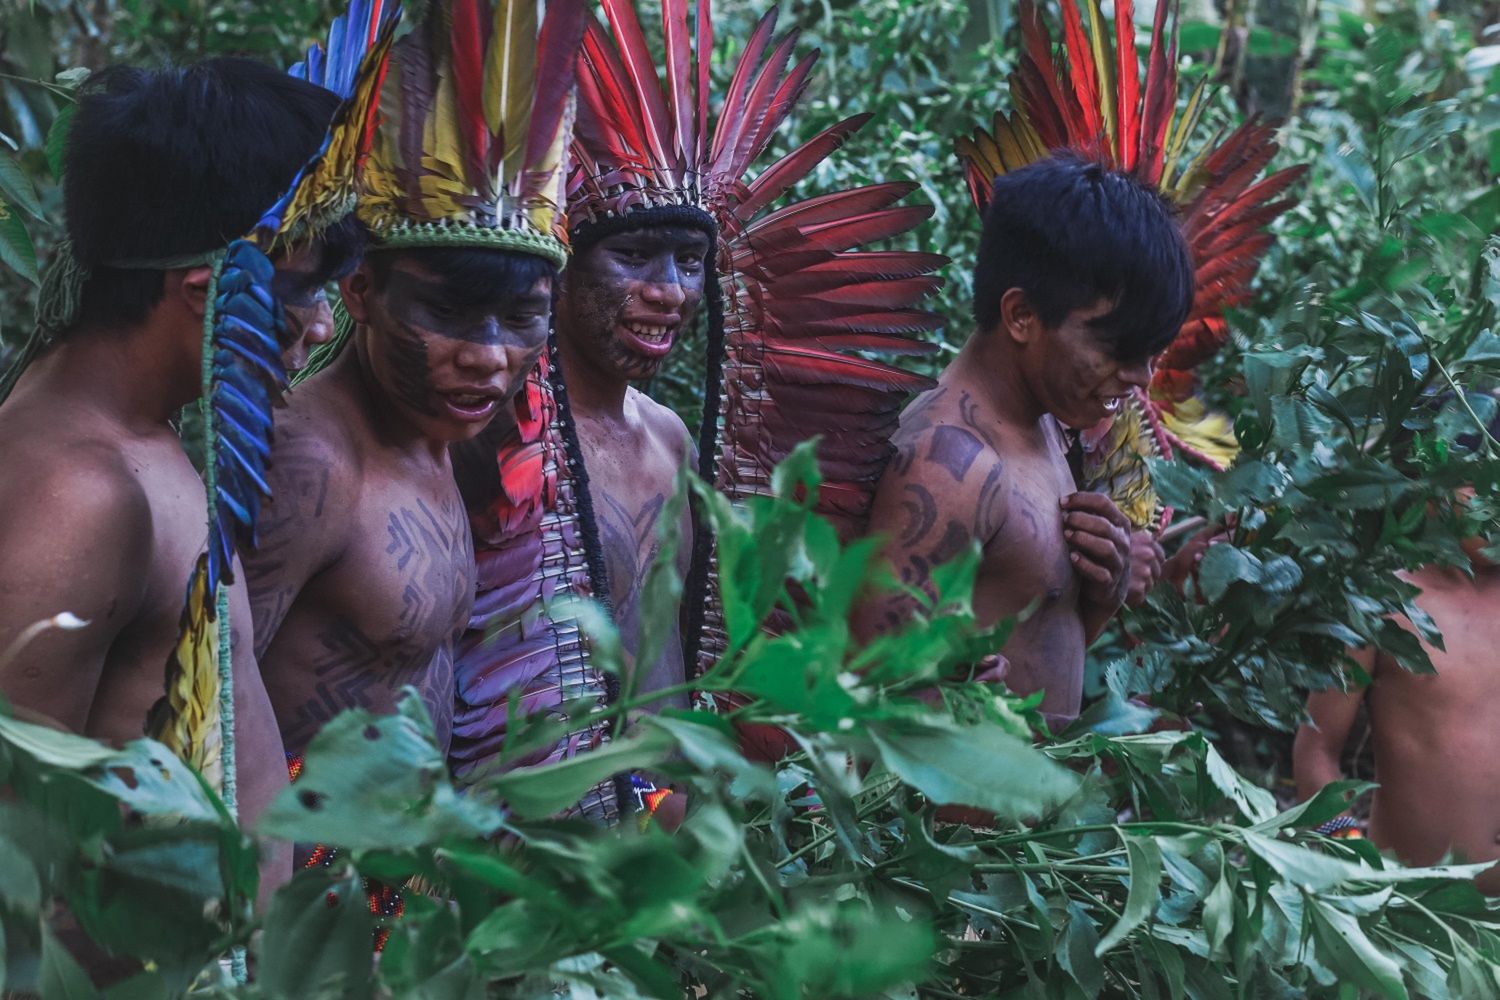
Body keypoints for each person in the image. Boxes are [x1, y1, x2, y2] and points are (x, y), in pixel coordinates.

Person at [0, 58, 359, 907]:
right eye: (307, 293)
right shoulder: (76, 496)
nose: (321, 327)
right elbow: (17, 863)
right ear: (204, 291)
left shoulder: (138, 434)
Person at [245, 0, 578, 762]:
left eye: (520, 319)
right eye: (449, 312)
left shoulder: (445, 438)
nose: (489, 357)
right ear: (359, 289)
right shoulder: (307, 463)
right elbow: (202, 722)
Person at [855, 154, 1195, 726]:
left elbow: (1034, 644)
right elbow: (863, 702)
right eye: (1119, 349)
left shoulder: (1044, 426)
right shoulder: (948, 464)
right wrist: (938, 701)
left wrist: (1101, 595)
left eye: (1150, 354)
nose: (1141, 378)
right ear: (1021, 315)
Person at [1294, 491, 1500, 892]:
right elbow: (1316, 752)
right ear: (1433, 488)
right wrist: (1356, 864)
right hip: (1412, 905)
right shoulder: (1381, 602)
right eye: (1482, 484)